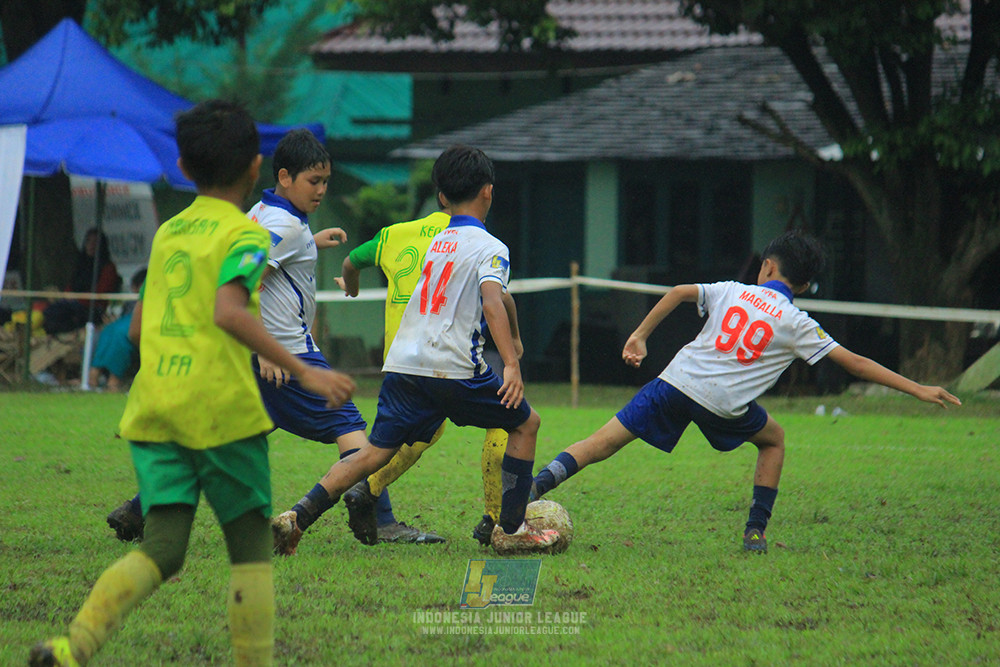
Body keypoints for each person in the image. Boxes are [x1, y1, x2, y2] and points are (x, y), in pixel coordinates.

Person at [30, 99, 355, 667]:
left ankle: (70, 646)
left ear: (182, 166)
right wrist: (304, 369)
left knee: (162, 550)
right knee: (252, 555)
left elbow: (134, 329)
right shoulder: (244, 235)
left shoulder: (170, 231)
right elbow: (231, 310)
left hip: (157, 411)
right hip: (223, 412)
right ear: (256, 168)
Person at [528, 230, 961, 554]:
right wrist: (917, 388)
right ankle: (755, 531)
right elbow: (856, 363)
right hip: (725, 405)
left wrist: (640, 335)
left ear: (768, 267)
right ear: (805, 286)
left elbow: (680, 292)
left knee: (601, 443)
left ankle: (533, 489)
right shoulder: (798, 323)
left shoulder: (732, 291)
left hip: (675, 383)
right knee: (773, 440)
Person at [107, 129, 441, 548]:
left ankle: (138, 510)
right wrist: (264, 348)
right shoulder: (286, 225)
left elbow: (264, 259)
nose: (321, 191)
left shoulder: (263, 211)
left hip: (253, 354)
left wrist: (310, 244)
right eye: (312, 182)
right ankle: (379, 516)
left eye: (325, 182)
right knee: (358, 438)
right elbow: (245, 284)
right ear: (284, 176)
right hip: (286, 353)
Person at [274, 144, 559, 556]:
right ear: (488, 193)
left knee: (373, 452)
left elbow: (500, 299)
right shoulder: (491, 246)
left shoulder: (439, 243)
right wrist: (512, 363)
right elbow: (493, 300)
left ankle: (296, 516)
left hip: (404, 364)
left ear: (441, 197)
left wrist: (513, 333)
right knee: (525, 425)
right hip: (453, 367)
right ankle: (511, 529)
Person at [331, 204, 517, 547]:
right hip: (447, 355)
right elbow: (498, 297)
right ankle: (497, 518)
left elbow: (350, 261)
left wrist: (352, 286)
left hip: (400, 355)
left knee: (416, 435)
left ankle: (359, 498)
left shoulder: (392, 234)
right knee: (507, 418)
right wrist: (514, 348)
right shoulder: (467, 240)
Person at [42, 228, 123, 334]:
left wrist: (77, 299)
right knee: (50, 311)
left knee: (58, 312)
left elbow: (100, 293)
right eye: (88, 241)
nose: (91, 245)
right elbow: (72, 285)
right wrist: (66, 296)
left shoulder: (107, 267)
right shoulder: (81, 264)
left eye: (95, 242)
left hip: (93, 307)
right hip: (74, 303)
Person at [87, 267, 146, 392]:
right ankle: (108, 381)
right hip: (127, 328)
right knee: (114, 332)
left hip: (128, 328)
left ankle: (99, 377)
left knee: (117, 333)